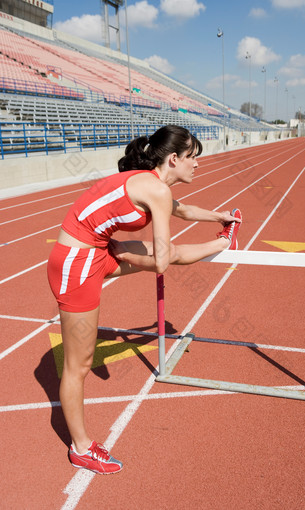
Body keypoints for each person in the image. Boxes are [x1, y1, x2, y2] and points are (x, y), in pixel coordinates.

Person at [47, 125, 242, 475]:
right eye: (192, 158)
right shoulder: (155, 190)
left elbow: (181, 211)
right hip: (76, 266)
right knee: (80, 364)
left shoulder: (152, 181)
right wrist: (125, 252)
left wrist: (219, 216)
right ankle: (80, 449)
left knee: (168, 250)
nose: (197, 164)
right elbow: (161, 263)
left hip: (92, 251)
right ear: (173, 159)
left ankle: (225, 240)